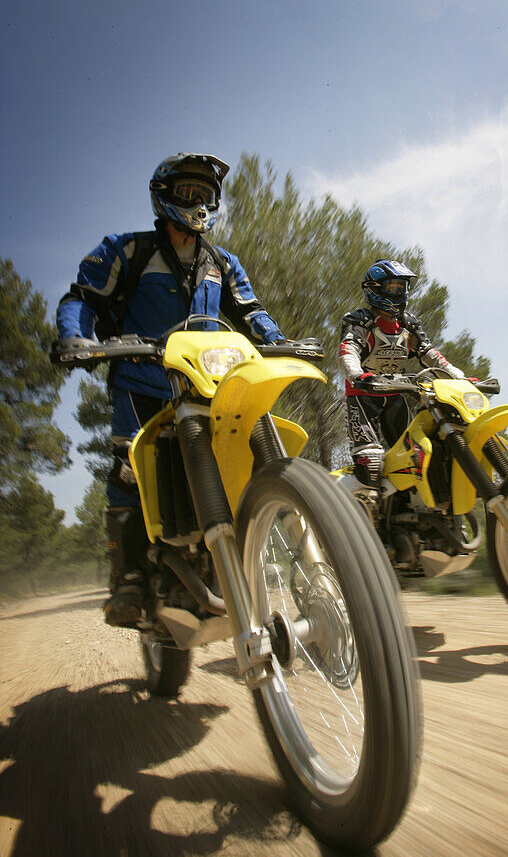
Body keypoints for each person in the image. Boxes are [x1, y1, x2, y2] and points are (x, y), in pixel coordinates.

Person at [55, 153, 286, 626]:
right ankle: (130, 582)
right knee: (129, 471)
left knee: (238, 458)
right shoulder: (126, 250)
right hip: (140, 383)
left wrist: (278, 341)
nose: (199, 203)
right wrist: (74, 336)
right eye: (189, 193)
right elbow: (83, 298)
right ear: (164, 196)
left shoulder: (223, 263)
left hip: (205, 386)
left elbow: (251, 311)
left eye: (206, 194)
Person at [338, 259, 465, 491]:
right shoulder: (359, 320)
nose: (399, 293)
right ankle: (344, 504)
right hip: (363, 397)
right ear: (374, 289)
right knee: (371, 464)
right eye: (393, 288)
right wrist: (356, 374)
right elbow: (348, 349)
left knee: (415, 459)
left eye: (402, 288)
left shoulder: (409, 324)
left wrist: (459, 377)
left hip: (397, 396)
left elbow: (430, 354)